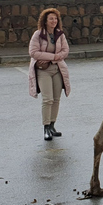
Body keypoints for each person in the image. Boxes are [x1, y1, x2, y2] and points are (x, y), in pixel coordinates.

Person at [28, 8, 71, 141]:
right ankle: (46, 127)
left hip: (57, 69)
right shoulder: (38, 34)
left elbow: (65, 51)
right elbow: (33, 52)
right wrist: (54, 56)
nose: (54, 21)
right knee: (48, 99)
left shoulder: (60, 35)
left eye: (55, 19)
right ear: (45, 21)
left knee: (56, 99)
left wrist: (52, 58)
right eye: (51, 19)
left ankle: (52, 125)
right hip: (43, 71)